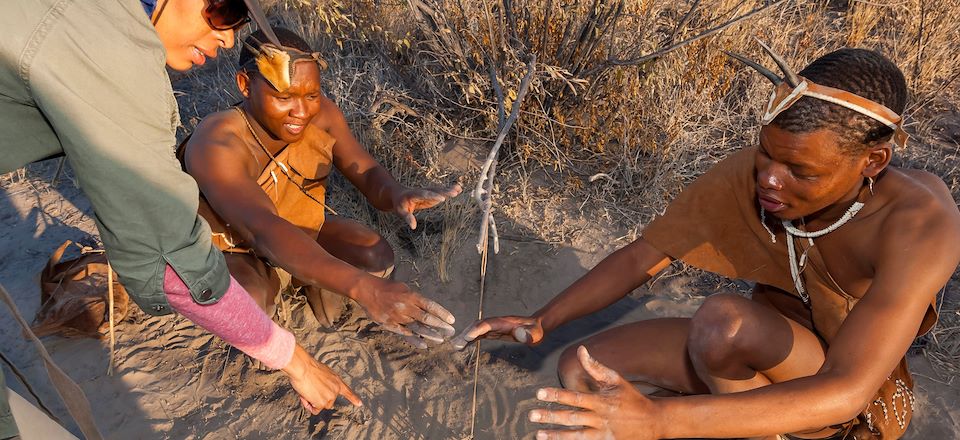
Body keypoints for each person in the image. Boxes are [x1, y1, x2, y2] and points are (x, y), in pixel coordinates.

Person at [453, 45, 960, 439]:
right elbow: (645, 255)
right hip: (759, 357)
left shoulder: (920, 226)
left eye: (800, 171)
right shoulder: (757, 173)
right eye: (766, 153)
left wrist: (661, 420)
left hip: (841, 398)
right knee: (581, 371)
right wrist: (544, 319)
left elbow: (845, 390)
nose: (770, 181)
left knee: (723, 323)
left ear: (872, 162)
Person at [0, 0, 358, 431]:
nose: (228, 38)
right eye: (222, 9)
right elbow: (171, 251)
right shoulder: (110, 52)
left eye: (238, 19)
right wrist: (296, 361)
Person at [178, 28, 460, 351]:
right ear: (245, 85)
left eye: (311, 96)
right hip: (237, 248)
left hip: (298, 230)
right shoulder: (216, 142)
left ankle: (310, 284)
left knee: (375, 255)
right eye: (284, 97)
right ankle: (276, 303)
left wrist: (396, 193)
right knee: (249, 302)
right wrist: (364, 288)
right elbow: (262, 230)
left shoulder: (322, 114)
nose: (301, 112)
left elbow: (366, 172)